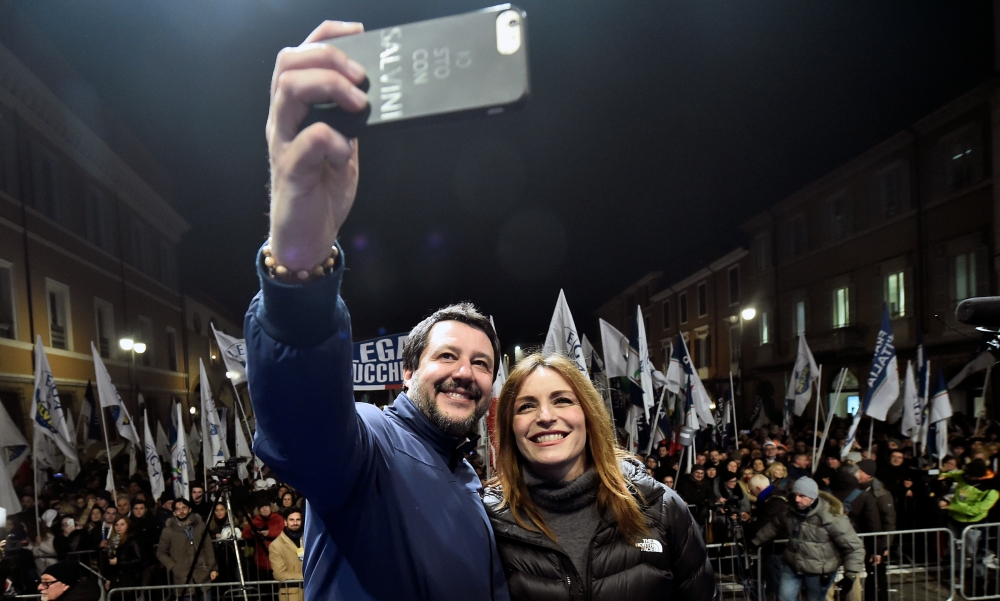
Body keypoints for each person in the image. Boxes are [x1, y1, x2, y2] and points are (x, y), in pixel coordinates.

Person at [244, 21, 508, 600]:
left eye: (483, 363)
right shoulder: (366, 441)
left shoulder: (469, 478)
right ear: (407, 373)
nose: (466, 371)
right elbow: (302, 424)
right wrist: (302, 261)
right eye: (448, 355)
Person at [483, 353, 719, 600]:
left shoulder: (660, 507)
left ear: (588, 414)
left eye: (562, 400)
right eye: (526, 406)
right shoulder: (489, 521)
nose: (545, 416)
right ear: (510, 425)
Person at [751, 477, 864, 601]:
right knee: (784, 598)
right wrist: (755, 541)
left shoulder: (832, 517)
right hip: (793, 564)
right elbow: (774, 525)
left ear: (813, 496)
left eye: (802, 496)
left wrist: (851, 575)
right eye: (795, 495)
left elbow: (854, 547)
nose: (797, 499)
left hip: (819, 570)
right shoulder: (790, 510)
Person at [156, 498, 217, 601]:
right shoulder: (168, 530)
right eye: (178, 509)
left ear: (190, 509)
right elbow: (160, 553)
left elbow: (208, 547)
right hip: (182, 576)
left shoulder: (200, 525)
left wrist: (213, 568)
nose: (181, 511)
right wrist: (174, 567)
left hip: (203, 572)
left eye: (184, 508)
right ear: (174, 513)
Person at [745, 474, 791, 599]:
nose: (751, 493)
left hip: (774, 549)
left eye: (751, 490)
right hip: (772, 548)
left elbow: (763, 525)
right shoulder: (770, 500)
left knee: (776, 585)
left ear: (759, 488)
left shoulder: (773, 502)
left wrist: (749, 524)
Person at [241, 500, 284, 581]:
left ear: (270, 508)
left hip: (277, 555)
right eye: (262, 507)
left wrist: (269, 533)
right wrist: (253, 533)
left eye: (266, 507)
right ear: (259, 510)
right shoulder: (256, 520)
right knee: (263, 584)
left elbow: (283, 531)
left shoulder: (278, 518)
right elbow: (244, 534)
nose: (265, 509)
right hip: (261, 556)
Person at [269, 508, 305, 601]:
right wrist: (305, 576)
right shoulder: (276, 545)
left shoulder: (307, 539)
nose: (295, 523)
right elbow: (279, 574)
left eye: (298, 520)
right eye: (291, 520)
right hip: (291, 595)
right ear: (285, 522)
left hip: (310, 592)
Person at [103, 517, 143, 594]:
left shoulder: (133, 540)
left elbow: (139, 560)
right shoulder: (113, 540)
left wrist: (119, 562)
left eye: (122, 524)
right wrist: (108, 579)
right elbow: (109, 562)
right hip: (115, 580)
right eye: (116, 525)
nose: (119, 527)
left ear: (127, 525)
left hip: (129, 580)